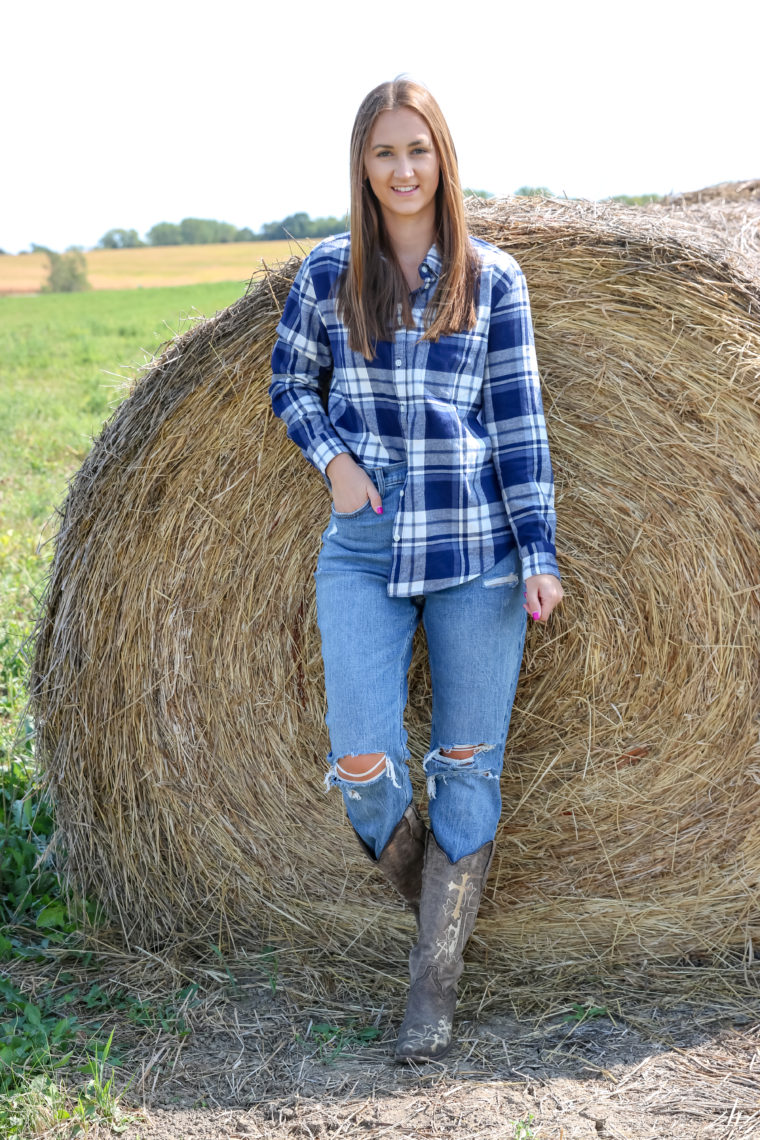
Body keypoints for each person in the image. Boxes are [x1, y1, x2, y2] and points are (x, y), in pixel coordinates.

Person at [269, 78, 562, 1063]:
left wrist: (540, 554)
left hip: (476, 550)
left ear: (443, 161)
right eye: (385, 152)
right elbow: (287, 381)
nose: (402, 169)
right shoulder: (327, 273)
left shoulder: (492, 277)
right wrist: (334, 464)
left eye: (418, 150)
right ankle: (444, 919)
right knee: (361, 760)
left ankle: (431, 987)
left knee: (467, 768)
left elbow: (517, 426)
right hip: (361, 547)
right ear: (362, 163)